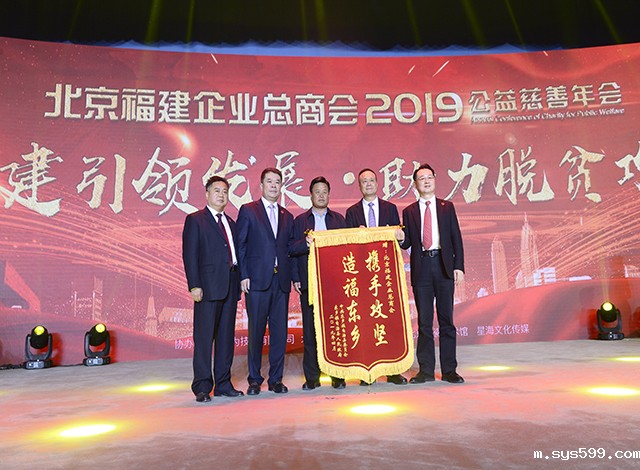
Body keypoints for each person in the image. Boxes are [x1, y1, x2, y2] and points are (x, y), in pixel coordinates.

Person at [399, 163, 465, 384]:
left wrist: (459, 267)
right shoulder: (409, 211)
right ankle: (426, 371)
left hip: (444, 266)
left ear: (434, 180)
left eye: (429, 177)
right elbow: (408, 242)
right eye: (421, 178)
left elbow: (456, 238)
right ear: (415, 184)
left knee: (447, 320)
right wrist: (400, 238)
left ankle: (449, 370)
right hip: (422, 268)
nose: (426, 181)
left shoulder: (447, 207)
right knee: (424, 322)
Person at [182, 175, 244, 402]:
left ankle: (223, 384)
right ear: (207, 193)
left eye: (225, 191)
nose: (221, 195)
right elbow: (190, 255)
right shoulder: (195, 220)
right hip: (207, 288)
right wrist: (194, 285)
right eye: (217, 190)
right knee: (204, 339)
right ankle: (202, 386)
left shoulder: (231, 223)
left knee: (226, 339)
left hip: (230, 286)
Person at [345, 168, 408, 387]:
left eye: (372, 180)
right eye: (364, 181)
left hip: (387, 274)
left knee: (390, 321)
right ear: (359, 186)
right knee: (365, 323)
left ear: (377, 183)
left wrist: (399, 236)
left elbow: (399, 239)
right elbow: (348, 246)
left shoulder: (390, 208)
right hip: (363, 277)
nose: (368, 184)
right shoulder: (351, 212)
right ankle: (367, 372)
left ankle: (393, 371)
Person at [236, 168, 295, 395]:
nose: (273, 185)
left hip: (281, 282)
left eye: (277, 182)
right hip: (257, 282)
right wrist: (244, 275)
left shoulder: (287, 216)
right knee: (256, 332)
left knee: (279, 334)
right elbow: (241, 245)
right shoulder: (249, 210)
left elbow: (289, 249)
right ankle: (254, 380)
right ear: (261, 185)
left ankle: (276, 379)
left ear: (281, 186)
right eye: (269, 181)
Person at [291, 176, 347, 390]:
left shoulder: (339, 220)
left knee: (336, 329)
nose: (321, 195)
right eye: (317, 192)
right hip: (310, 283)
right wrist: (296, 277)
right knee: (310, 332)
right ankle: (312, 377)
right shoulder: (300, 221)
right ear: (311, 195)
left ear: (329, 195)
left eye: (325, 192)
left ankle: (337, 376)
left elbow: (347, 249)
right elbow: (291, 250)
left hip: (335, 283)